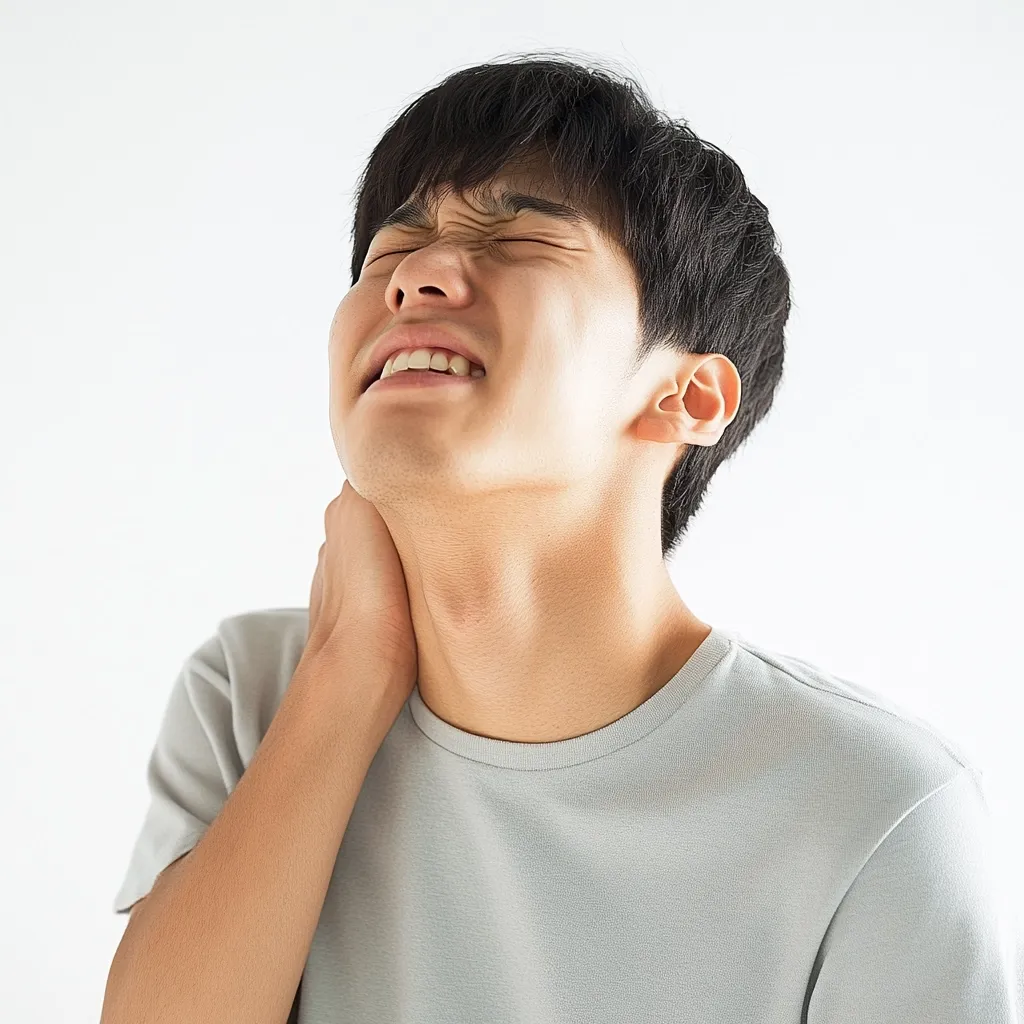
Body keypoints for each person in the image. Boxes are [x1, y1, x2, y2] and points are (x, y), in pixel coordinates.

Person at [108, 54, 1021, 1022]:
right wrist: (342, 676)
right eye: (387, 251)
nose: (415, 275)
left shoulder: (869, 812)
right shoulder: (252, 694)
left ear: (687, 395)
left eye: (519, 237)